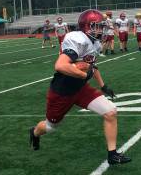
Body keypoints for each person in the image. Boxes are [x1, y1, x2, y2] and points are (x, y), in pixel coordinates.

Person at [29, 9, 131, 165]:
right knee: (50, 127)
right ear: (87, 26)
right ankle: (35, 133)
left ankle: (112, 154)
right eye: (97, 26)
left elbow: (92, 67)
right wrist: (84, 75)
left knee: (110, 112)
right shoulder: (77, 38)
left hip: (80, 89)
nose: (100, 30)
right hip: (62, 92)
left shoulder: (95, 43)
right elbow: (60, 65)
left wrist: (103, 86)